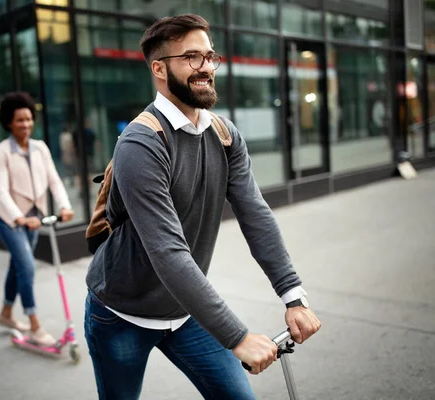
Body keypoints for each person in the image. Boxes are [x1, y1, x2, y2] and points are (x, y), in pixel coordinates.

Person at [84, 14, 321, 400]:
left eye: (210, 56)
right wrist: (238, 337)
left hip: (186, 310)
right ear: (159, 68)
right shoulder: (141, 143)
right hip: (121, 313)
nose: (206, 67)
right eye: (192, 57)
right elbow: (168, 251)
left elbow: (255, 215)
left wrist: (292, 295)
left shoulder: (225, 135)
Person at [0, 92, 74, 346]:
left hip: (36, 218)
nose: (25, 124)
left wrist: (64, 206)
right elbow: (1, 191)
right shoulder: (2, 151)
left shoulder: (40, 148)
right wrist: (19, 218)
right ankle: (35, 324)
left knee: (18, 266)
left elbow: (53, 180)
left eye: (28, 119)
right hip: (9, 218)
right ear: (8, 123)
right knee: (26, 266)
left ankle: (6, 313)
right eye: (19, 120)